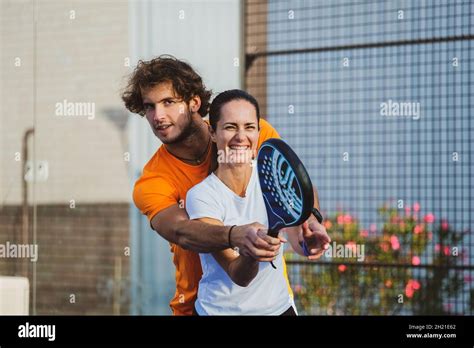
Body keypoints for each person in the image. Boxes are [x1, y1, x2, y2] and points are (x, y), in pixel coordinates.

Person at [121, 55, 330, 315]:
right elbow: (184, 232)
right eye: (149, 107)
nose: (158, 116)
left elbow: (292, 185)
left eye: (168, 102)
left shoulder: (251, 134)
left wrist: (310, 221)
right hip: (200, 304)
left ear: (194, 102)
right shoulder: (152, 180)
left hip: (273, 306)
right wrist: (235, 235)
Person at [186, 89, 324, 315]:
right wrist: (251, 250)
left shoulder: (272, 178)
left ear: (259, 133)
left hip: (280, 308)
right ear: (212, 133)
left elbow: (301, 234)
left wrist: (311, 235)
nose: (241, 137)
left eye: (249, 127)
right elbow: (238, 274)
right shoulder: (202, 195)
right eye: (230, 127)